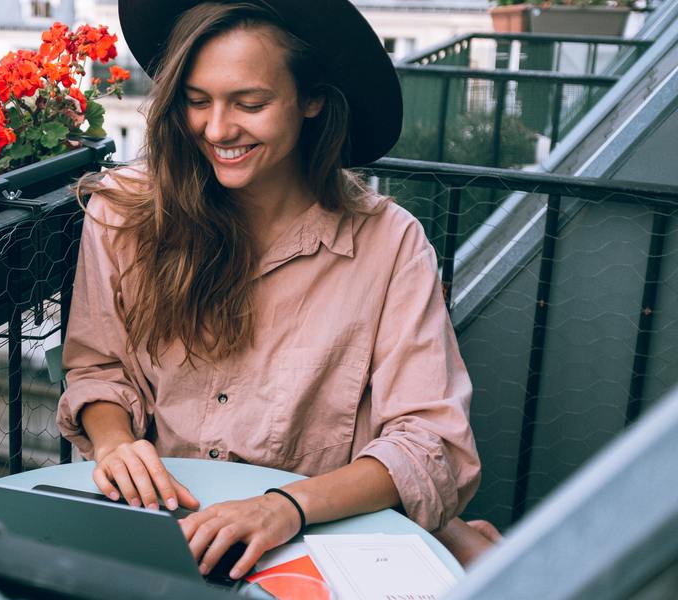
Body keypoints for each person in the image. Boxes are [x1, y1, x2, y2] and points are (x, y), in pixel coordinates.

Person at [56, 0, 500, 581]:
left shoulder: (389, 244)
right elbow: (99, 366)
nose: (217, 129)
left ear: (311, 99)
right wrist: (114, 443)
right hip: (167, 533)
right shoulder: (123, 213)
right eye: (196, 100)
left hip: (320, 542)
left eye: (250, 103)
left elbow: (430, 446)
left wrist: (285, 507)